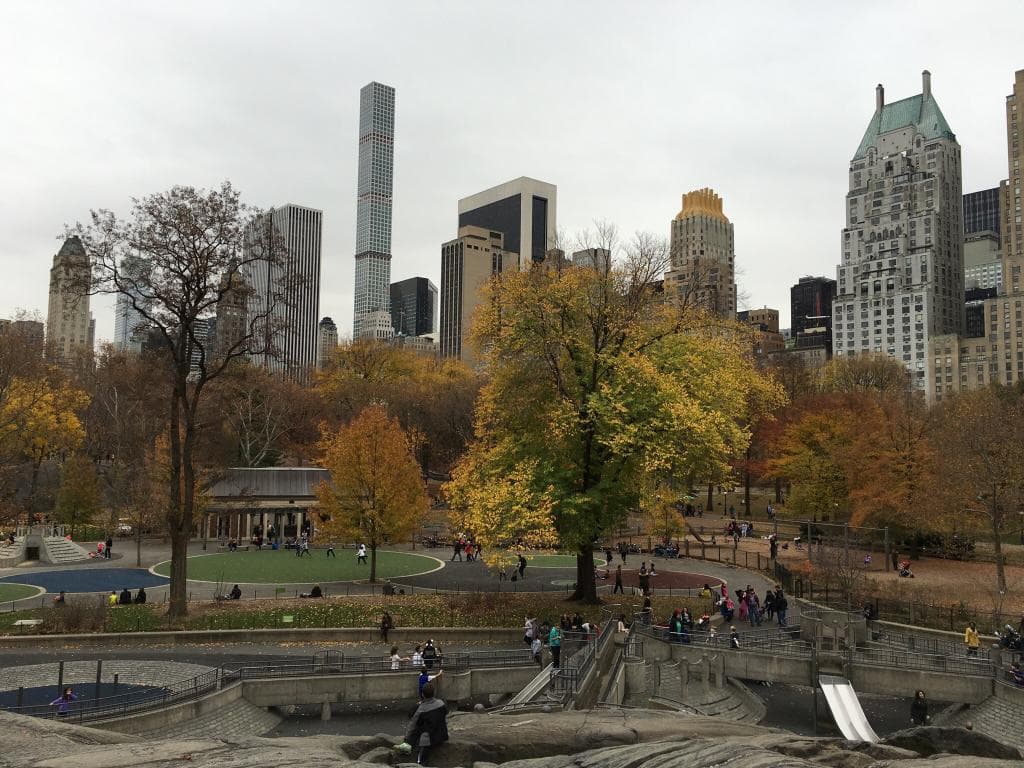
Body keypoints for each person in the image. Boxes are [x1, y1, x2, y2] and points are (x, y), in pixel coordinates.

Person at [393, 681, 449, 764]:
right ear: (434, 693)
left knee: (421, 759)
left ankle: (410, 748)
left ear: (422, 694)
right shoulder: (441, 703)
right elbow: (445, 713)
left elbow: (412, 724)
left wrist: (406, 739)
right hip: (443, 735)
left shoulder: (421, 708)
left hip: (429, 740)